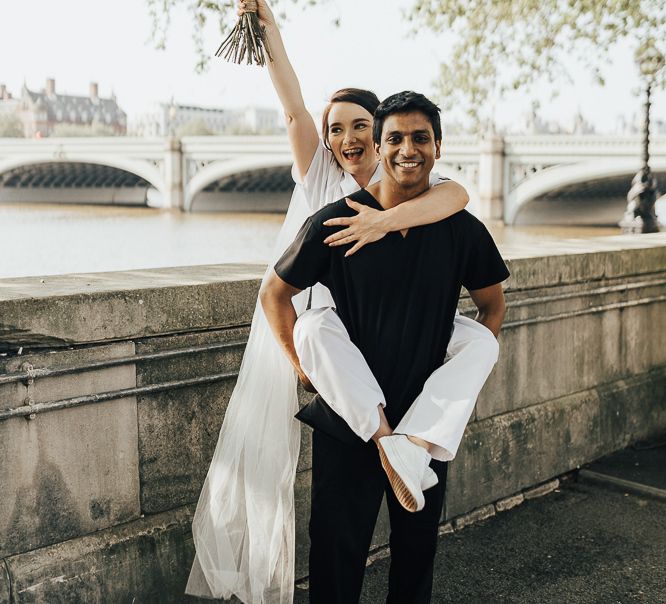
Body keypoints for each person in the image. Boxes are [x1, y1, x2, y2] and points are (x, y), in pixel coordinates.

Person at [185, 0, 486, 601]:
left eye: (359, 127)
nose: (346, 137)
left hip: (400, 347)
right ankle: (381, 448)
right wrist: (264, 23)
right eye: (335, 129)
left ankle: (405, 445)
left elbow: (456, 194)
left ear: (383, 135)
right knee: (318, 512)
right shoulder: (320, 180)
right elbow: (293, 101)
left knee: (476, 341)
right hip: (326, 339)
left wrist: (380, 223)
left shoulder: (409, 182)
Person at [261, 91, 510, 603]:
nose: (407, 149)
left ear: (438, 147)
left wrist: (452, 388)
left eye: (421, 138)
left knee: (416, 554)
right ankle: (388, 441)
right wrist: (300, 366)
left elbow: (493, 307)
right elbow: (275, 296)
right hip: (350, 419)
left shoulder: (462, 230)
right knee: (335, 553)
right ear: (379, 145)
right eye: (394, 138)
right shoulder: (335, 219)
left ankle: (407, 445)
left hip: (422, 424)